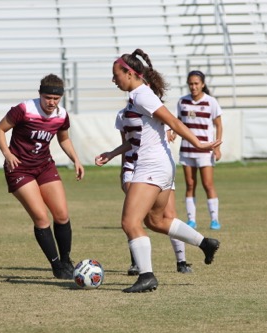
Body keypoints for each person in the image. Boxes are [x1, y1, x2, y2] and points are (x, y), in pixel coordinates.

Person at [95, 49, 221, 293]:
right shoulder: (137, 97)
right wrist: (112, 153)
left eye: (116, 75)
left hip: (151, 167)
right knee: (156, 220)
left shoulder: (142, 95)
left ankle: (147, 276)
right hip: (159, 166)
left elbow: (173, 122)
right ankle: (205, 243)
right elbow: (140, 137)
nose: (114, 80)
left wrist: (198, 143)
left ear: (130, 73)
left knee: (130, 222)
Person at [0, 74, 85, 280]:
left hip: (44, 166)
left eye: (55, 98)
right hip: (19, 169)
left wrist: (76, 160)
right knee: (41, 217)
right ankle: (56, 266)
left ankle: (66, 260)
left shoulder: (61, 115)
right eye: (47, 98)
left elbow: (64, 139)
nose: (51, 102)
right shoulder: (24, 110)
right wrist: (7, 154)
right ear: (40, 95)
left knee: (61, 215)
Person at [116, 117, 193, 275]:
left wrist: (171, 133)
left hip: (158, 168)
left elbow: (172, 127)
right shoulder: (124, 114)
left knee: (169, 215)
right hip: (133, 169)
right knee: (134, 217)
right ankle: (138, 264)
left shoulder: (155, 110)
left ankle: (182, 261)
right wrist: (122, 169)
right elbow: (126, 142)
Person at [176, 70, 224, 230]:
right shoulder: (182, 101)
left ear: (202, 84)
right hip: (187, 150)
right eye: (191, 83)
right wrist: (172, 132)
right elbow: (178, 123)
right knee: (190, 185)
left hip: (205, 150)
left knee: (208, 184)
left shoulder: (211, 102)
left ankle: (214, 219)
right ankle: (191, 220)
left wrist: (217, 147)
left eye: (196, 83)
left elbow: (218, 124)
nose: (193, 86)